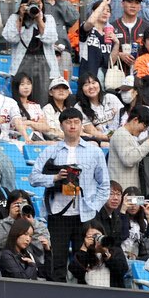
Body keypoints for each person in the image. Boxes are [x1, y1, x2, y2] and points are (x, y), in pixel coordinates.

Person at [29, 108, 111, 282]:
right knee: (57, 261)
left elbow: (104, 185)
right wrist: (56, 178)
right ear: (61, 125)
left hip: (84, 215)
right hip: (58, 214)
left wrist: (93, 207)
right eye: (68, 122)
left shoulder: (94, 151)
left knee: (83, 260)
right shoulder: (51, 151)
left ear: (82, 124)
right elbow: (33, 178)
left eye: (76, 122)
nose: (72, 126)